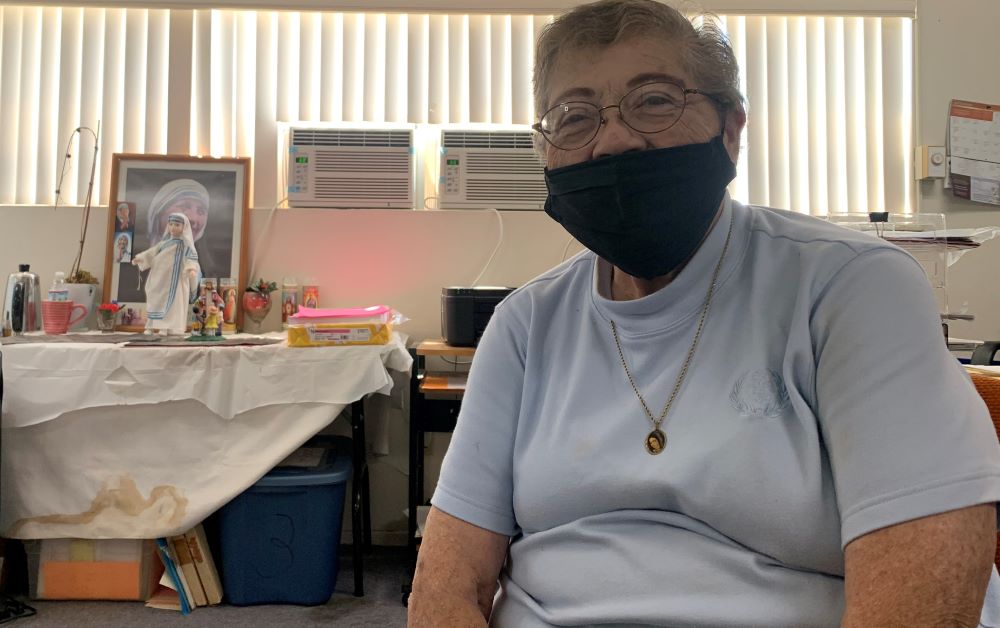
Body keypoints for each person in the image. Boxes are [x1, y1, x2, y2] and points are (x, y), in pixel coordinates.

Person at [408, 2, 1000, 626]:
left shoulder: (853, 287)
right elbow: (447, 584)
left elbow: (918, 601)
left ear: (731, 129)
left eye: (654, 100)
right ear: (545, 153)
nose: (612, 139)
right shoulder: (524, 326)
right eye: (574, 117)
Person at [132, 213, 200, 335]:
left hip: (176, 280)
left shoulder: (186, 245)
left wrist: (191, 269)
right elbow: (152, 252)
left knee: (173, 305)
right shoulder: (164, 243)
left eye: (177, 225)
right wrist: (141, 258)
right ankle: (151, 326)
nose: (173, 227)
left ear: (184, 227)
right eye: (171, 224)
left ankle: (167, 327)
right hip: (159, 278)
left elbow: (191, 259)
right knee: (156, 301)